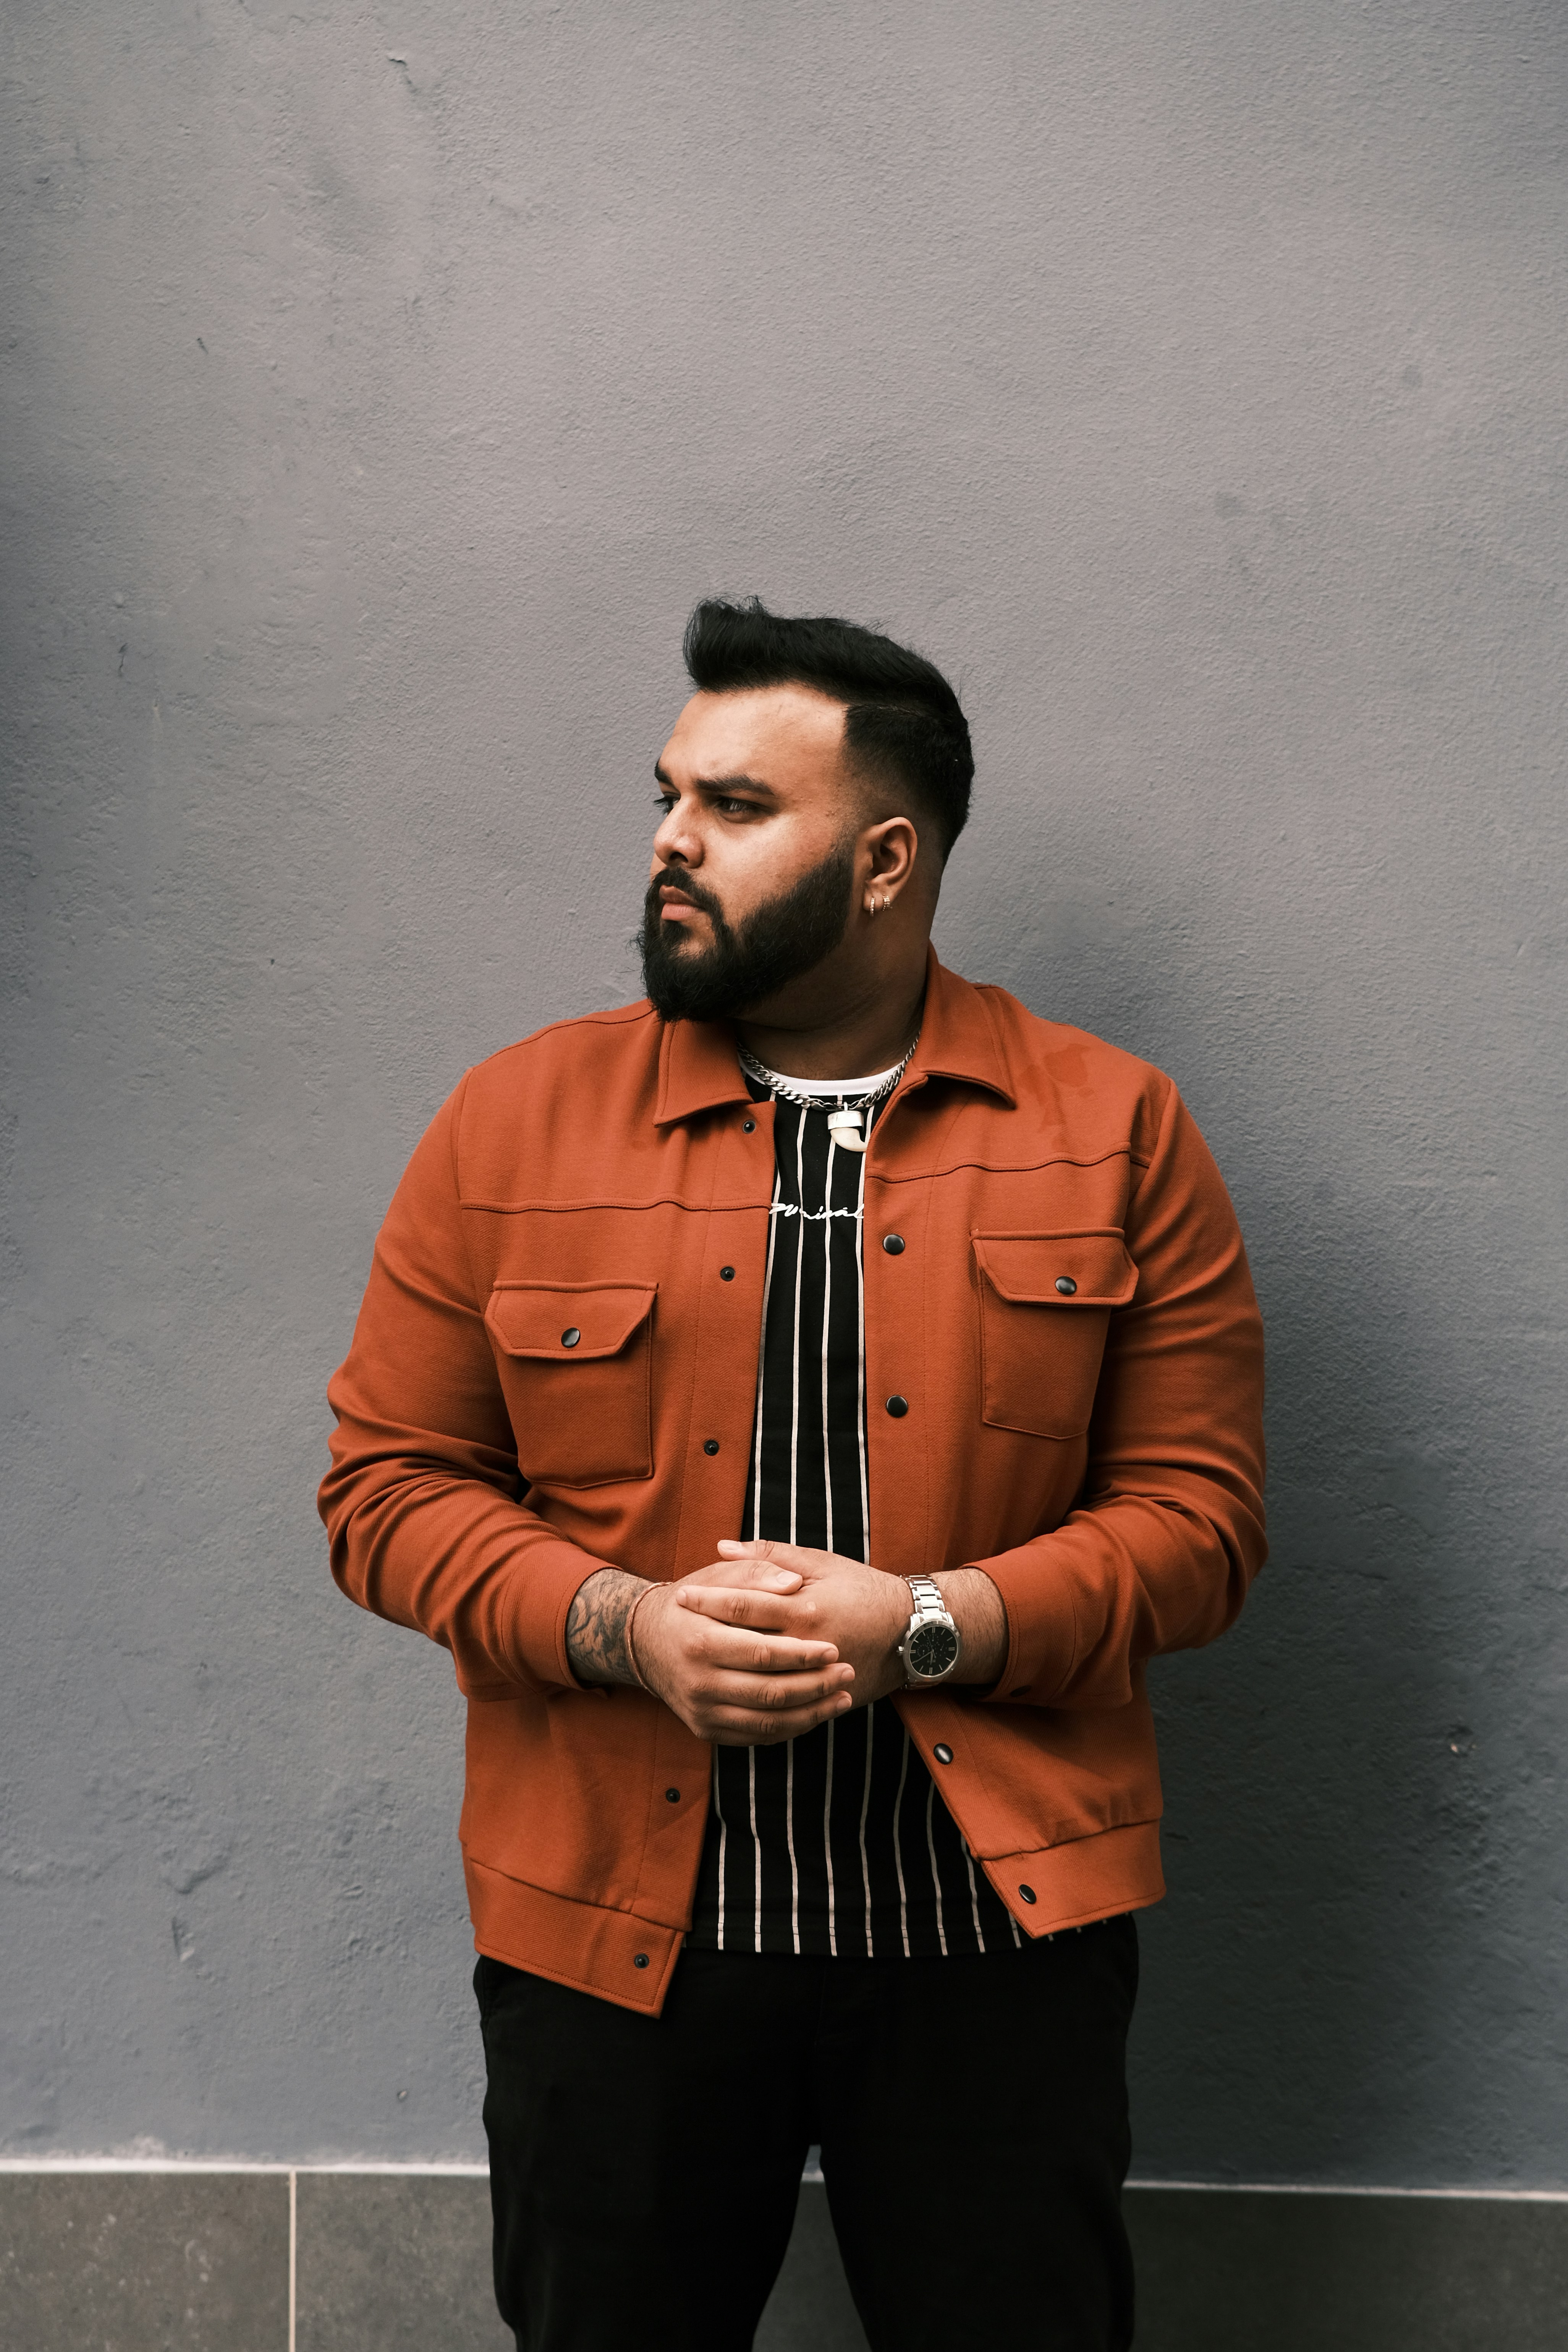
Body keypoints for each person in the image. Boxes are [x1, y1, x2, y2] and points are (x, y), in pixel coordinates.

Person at [319, 598, 1266, 2352]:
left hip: (995, 1947)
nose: (672, 839)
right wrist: (625, 1626)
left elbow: (1200, 1526)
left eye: (739, 806)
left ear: (888, 857)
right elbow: (387, 1486)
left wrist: (925, 1621)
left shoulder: (1114, 1128)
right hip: (616, 1948)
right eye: (670, 794)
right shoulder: (510, 1124)